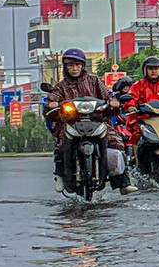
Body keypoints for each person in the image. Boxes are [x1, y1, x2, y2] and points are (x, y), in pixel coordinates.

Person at [44, 48, 135, 194]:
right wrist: (52, 104)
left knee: (116, 141)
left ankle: (123, 182)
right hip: (71, 123)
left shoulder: (94, 81)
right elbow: (51, 100)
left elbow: (108, 94)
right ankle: (60, 176)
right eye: (71, 65)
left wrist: (113, 102)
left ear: (83, 66)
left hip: (97, 121)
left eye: (78, 65)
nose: (74, 68)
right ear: (65, 67)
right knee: (61, 144)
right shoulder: (60, 86)